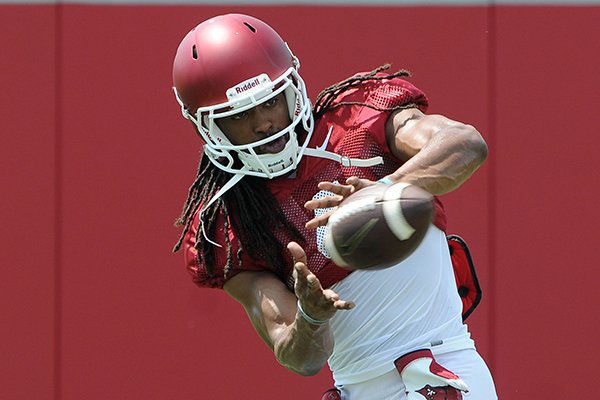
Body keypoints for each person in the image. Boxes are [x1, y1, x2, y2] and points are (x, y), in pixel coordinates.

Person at [171, 13, 497, 400]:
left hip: (444, 371)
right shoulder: (232, 221)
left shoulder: (357, 121)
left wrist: (386, 191)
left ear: (293, 85)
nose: (265, 123)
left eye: (273, 101)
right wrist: (310, 317)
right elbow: (300, 359)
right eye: (240, 114)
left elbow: (464, 144)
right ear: (206, 127)